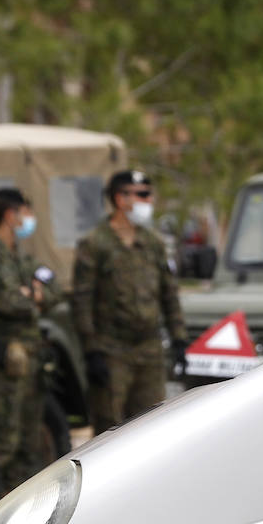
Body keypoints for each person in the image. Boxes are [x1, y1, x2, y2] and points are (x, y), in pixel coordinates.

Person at [0, 188, 57, 523]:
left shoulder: (20, 257)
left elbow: (55, 289)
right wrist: (33, 294)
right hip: (6, 362)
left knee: (29, 441)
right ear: (10, 215)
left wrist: (30, 293)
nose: (28, 220)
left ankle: (21, 516)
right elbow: (8, 303)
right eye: (26, 213)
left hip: (31, 360)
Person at [72, 170, 188, 433]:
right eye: (143, 194)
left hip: (149, 351)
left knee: (152, 425)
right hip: (112, 352)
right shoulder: (94, 244)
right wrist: (91, 352)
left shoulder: (153, 243)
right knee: (109, 429)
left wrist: (179, 339)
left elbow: (169, 293)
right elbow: (82, 301)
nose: (149, 200)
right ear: (121, 199)